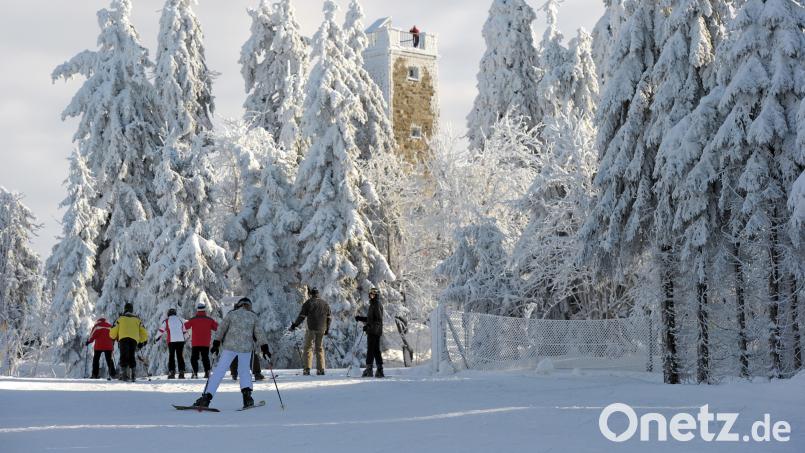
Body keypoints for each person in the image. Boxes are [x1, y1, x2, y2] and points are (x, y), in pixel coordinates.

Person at [192, 297, 271, 409]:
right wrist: (265, 349)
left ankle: (206, 398)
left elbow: (221, 330)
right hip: (245, 349)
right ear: (249, 305)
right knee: (244, 372)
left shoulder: (231, 314)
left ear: (238, 305)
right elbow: (260, 334)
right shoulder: (253, 316)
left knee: (219, 372)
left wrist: (216, 344)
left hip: (229, 348)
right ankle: (247, 398)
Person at [289, 287, 331, 376]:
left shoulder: (308, 303)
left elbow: (302, 316)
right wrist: (327, 329)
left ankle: (307, 369)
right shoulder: (325, 303)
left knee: (308, 347)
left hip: (311, 328)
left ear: (311, 294)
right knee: (319, 348)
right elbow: (329, 317)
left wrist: (295, 325)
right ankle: (321, 369)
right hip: (322, 329)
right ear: (318, 294)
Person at [109, 303, 148, 382]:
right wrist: (141, 341)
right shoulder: (137, 320)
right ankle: (133, 375)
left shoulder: (120, 319)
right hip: (133, 339)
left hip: (123, 338)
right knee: (131, 355)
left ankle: (125, 375)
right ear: (132, 310)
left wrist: (112, 337)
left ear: (125, 309)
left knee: (124, 355)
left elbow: (113, 330)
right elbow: (144, 332)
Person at [355, 287, 385, 378]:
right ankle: (379, 370)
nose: (371, 295)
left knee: (371, 351)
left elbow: (378, 320)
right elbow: (371, 319)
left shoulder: (376, 304)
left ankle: (369, 370)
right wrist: (360, 318)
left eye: (373, 294)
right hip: (375, 330)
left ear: (376, 295)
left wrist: (369, 326)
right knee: (375, 350)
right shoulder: (373, 304)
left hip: (374, 331)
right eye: (370, 294)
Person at [184, 302, 218, 379]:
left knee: (194, 358)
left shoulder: (193, 319)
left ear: (197, 310)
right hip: (205, 342)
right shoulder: (209, 320)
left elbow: (185, 327)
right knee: (205, 357)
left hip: (195, 343)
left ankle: (195, 372)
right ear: (205, 310)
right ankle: (207, 372)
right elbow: (216, 328)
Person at [156, 308, 187, 379]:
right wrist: (186, 338)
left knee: (171, 356)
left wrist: (156, 338)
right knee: (180, 356)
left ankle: (172, 372)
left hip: (171, 341)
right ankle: (181, 372)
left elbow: (161, 330)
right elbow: (184, 331)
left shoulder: (166, 321)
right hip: (180, 340)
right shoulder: (180, 320)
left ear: (168, 314)